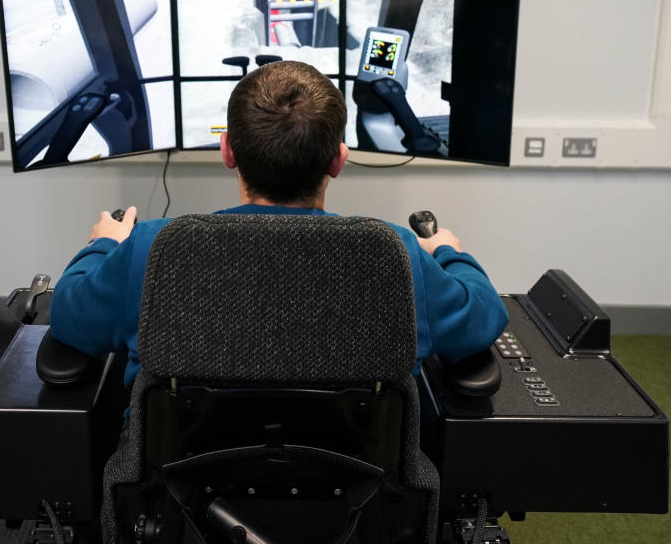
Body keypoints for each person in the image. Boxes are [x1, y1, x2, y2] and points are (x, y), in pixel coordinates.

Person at [50, 60, 508, 385]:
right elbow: (483, 320)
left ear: (227, 151)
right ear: (338, 161)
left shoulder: (155, 248)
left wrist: (105, 245)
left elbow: (69, 318)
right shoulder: (395, 255)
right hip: (355, 498)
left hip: (180, 498)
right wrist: (447, 252)